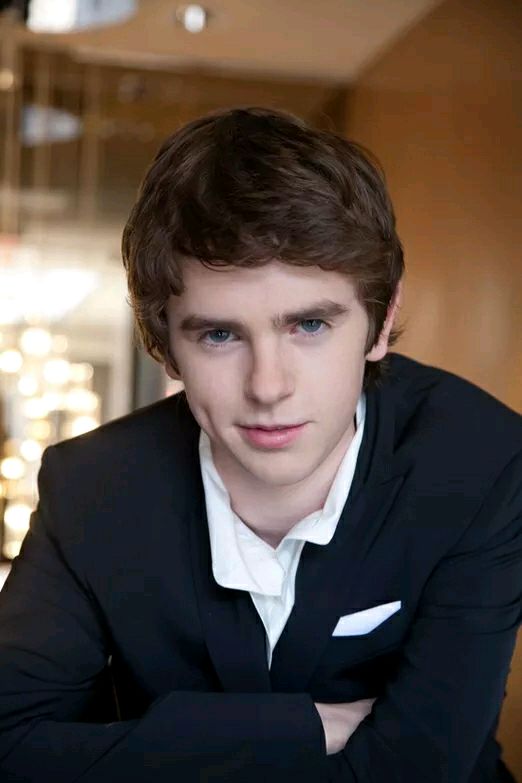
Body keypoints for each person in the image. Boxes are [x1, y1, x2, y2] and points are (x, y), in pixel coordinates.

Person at [0, 107, 520, 783]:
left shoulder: (484, 462)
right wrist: (303, 727)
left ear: (380, 320)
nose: (268, 386)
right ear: (166, 346)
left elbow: (418, 770)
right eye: (219, 335)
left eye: (309, 325)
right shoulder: (91, 487)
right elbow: (11, 749)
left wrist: (158, 743)